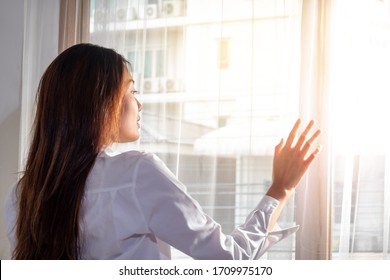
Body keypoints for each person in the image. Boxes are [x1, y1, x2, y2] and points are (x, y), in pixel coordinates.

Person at [5, 43, 322, 260]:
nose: (139, 103)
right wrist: (280, 189)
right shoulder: (136, 173)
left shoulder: (22, 196)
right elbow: (229, 260)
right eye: (131, 90)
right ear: (100, 103)